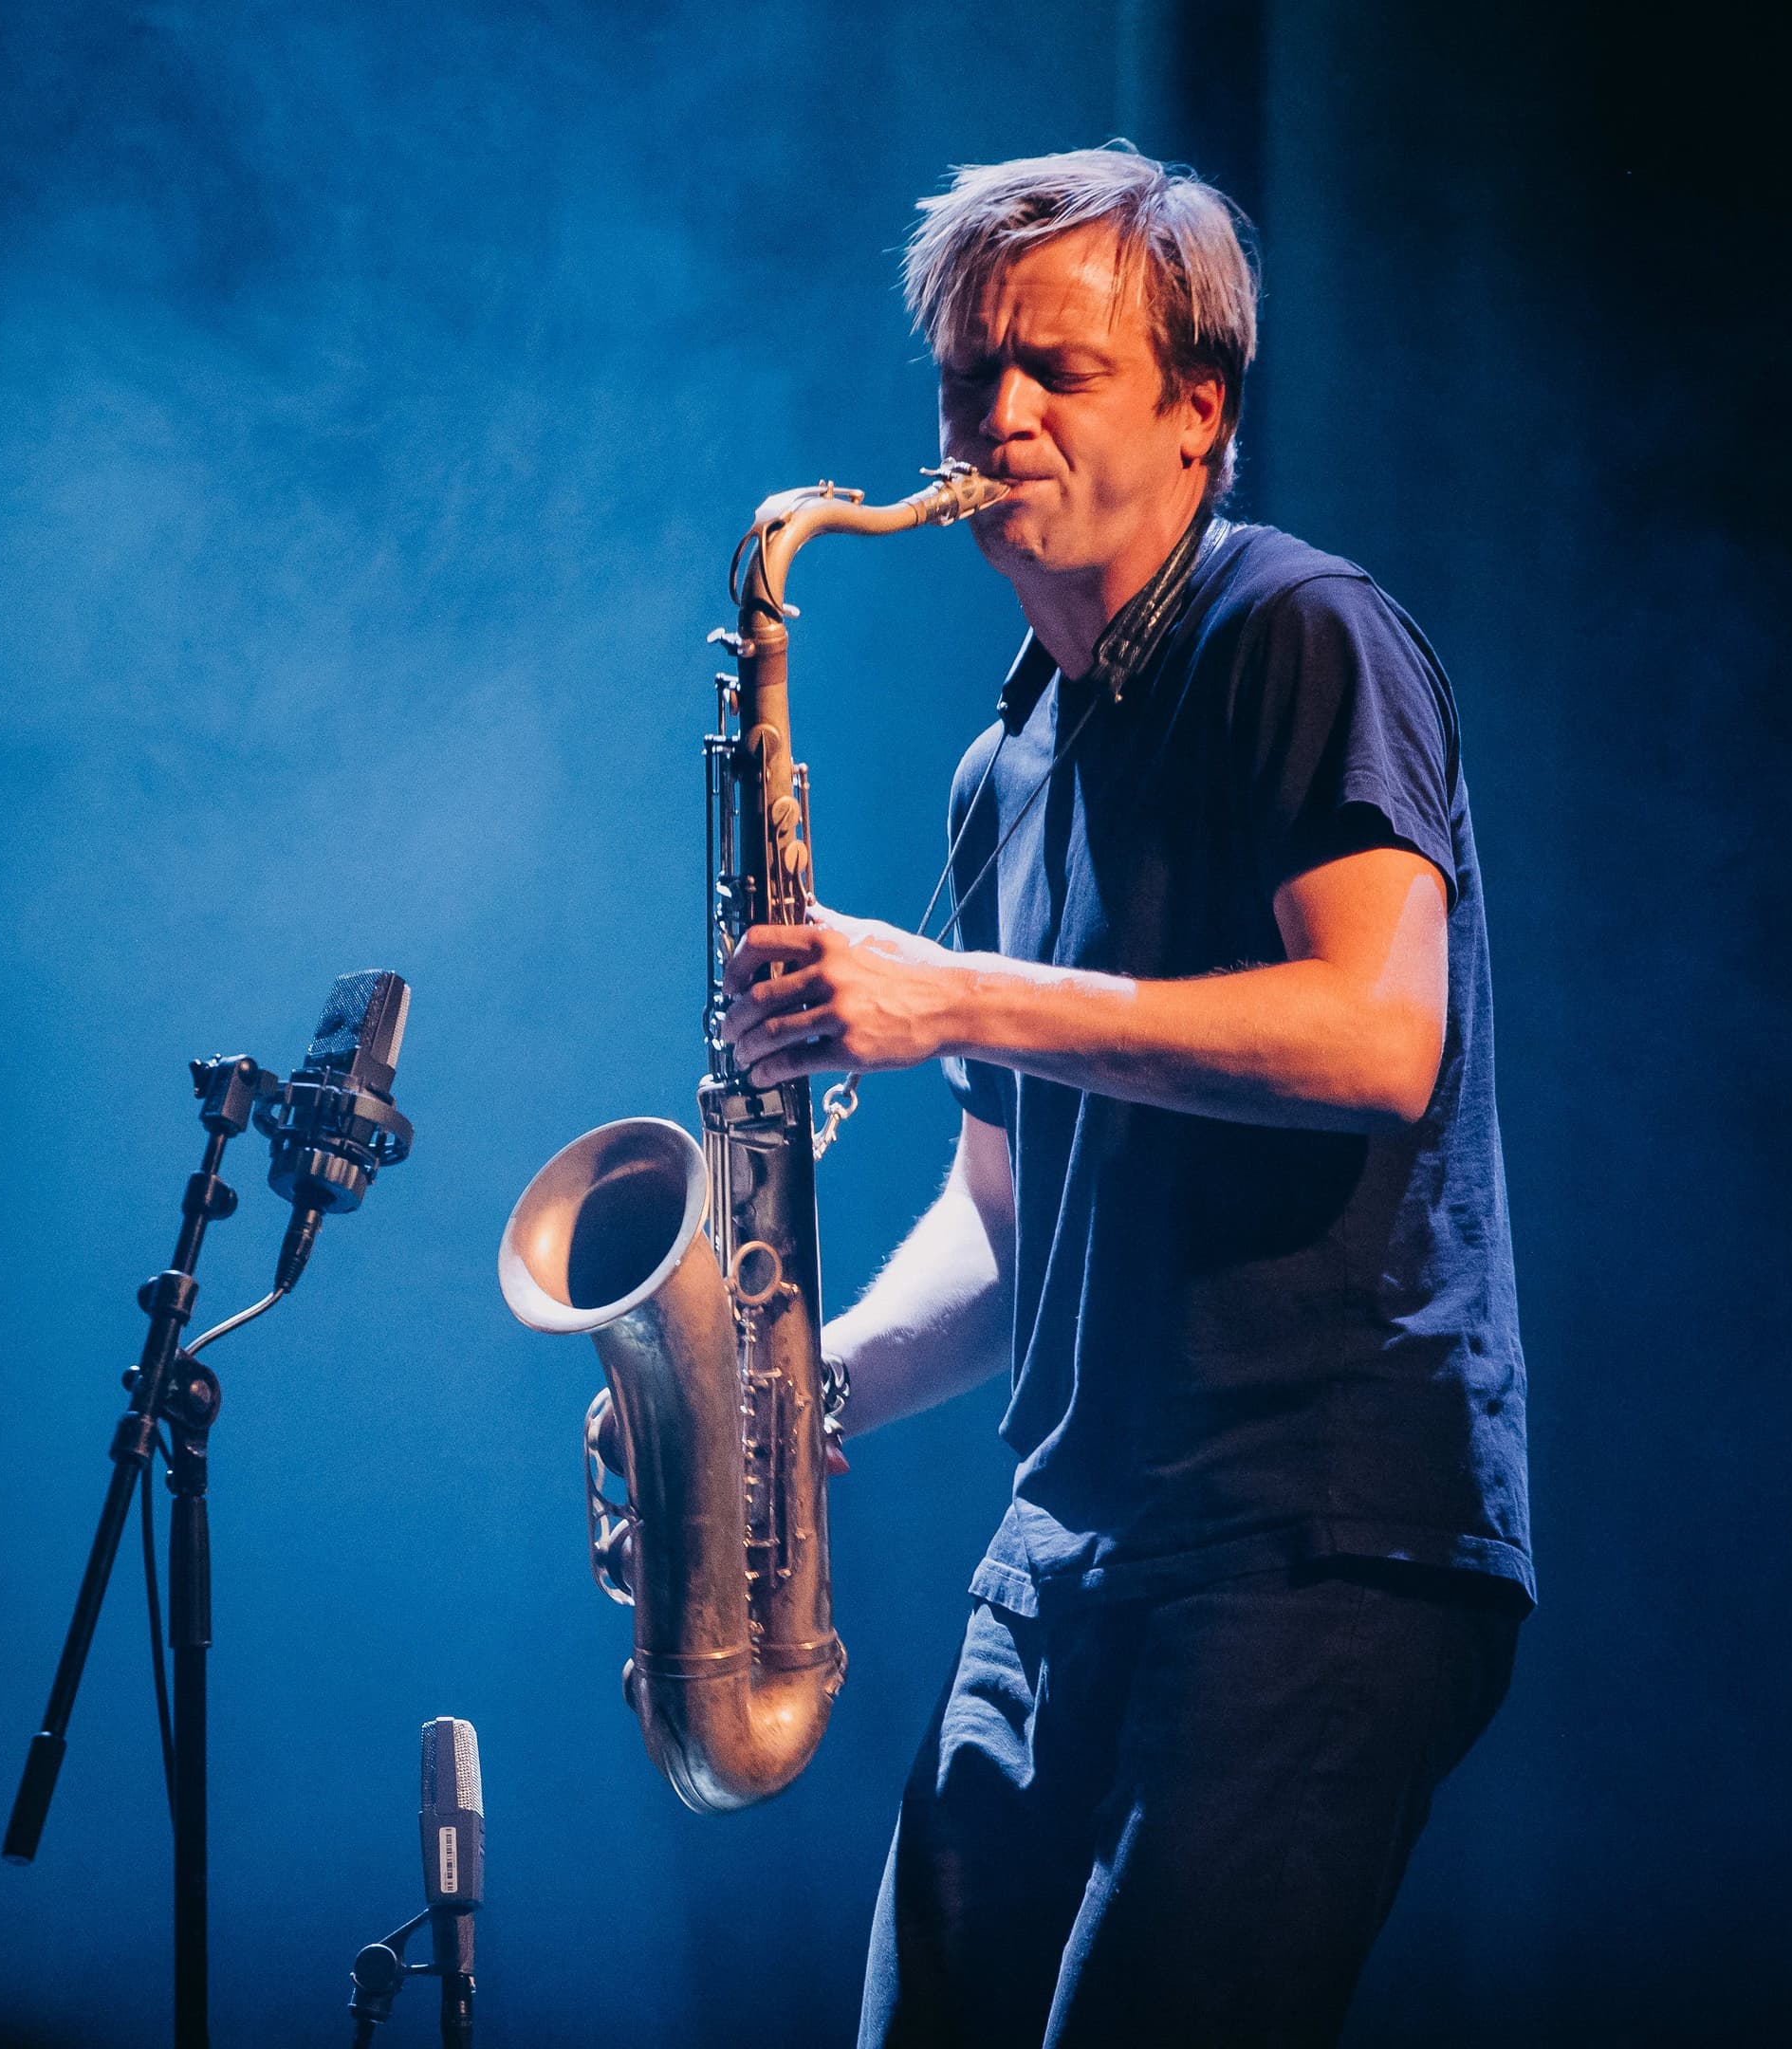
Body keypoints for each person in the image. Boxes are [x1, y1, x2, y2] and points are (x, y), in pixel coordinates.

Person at [713, 147, 1533, 2046]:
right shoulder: (1004, 766)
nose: (994, 416)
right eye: (966, 374)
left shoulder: (1300, 630)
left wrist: (957, 991)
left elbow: (1376, 1035)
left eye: (1056, 370)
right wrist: (804, 1386)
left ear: (1198, 410)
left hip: (1317, 1531)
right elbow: (1007, 1220)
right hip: (1074, 1537)